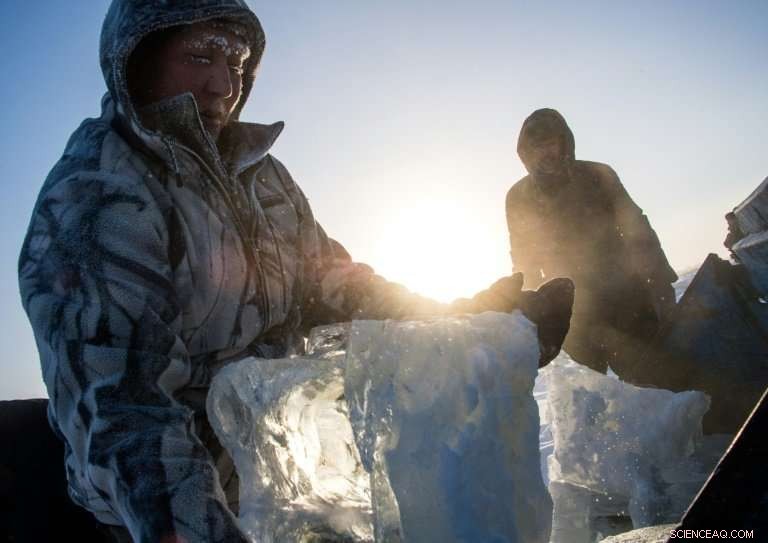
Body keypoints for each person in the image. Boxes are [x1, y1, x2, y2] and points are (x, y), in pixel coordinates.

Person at [18, 2, 572, 542]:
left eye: (236, 63)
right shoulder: (98, 194)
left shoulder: (264, 177)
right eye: (201, 56)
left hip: (277, 484)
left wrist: (474, 325)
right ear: (137, 58)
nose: (223, 84)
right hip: (160, 514)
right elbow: (126, 408)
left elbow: (337, 287)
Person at [505, 108, 677, 375]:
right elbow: (524, 257)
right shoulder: (518, 197)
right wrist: (528, 313)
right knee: (591, 392)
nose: (545, 152)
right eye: (537, 147)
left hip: (628, 296)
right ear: (526, 154)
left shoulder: (598, 174)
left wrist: (661, 282)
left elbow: (637, 229)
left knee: (653, 378)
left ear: (564, 142)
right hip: (573, 312)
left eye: (551, 143)